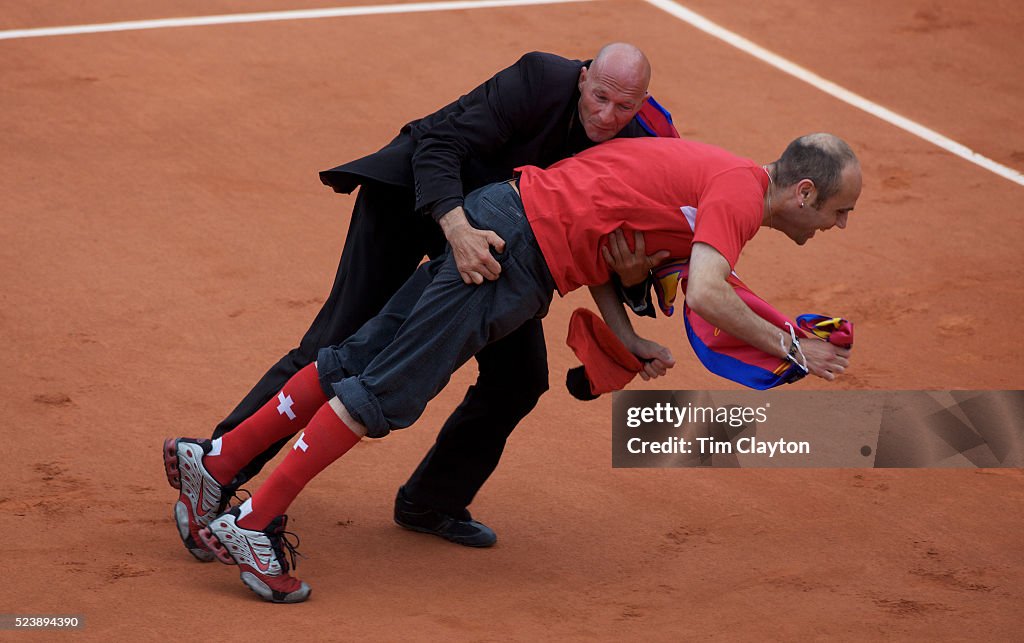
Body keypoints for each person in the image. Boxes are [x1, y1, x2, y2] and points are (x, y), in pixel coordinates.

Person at [166, 132, 862, 602]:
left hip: (511, 220)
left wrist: (627, 333)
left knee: (360, 358)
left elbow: (601, 248)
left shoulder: (720, 175)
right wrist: (792, 346)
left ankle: (219, 462)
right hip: (513, 254)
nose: (839, 226)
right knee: (383, 391)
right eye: (839, 211)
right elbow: (707, 292)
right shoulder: (737, 196)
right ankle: (253, 521)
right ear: (803, 192)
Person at [166, 44, 675, 560]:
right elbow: (437, 142)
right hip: (418, 202)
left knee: (518, 379)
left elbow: (597, 244)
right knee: (337, 344)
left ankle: (431, 500)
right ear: (582, 78)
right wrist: (456, 227)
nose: (607, 116)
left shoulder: (631, 147)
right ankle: (217, 467)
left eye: (624, 108)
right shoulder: (539, 79)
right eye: (600, 98)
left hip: (494, 247)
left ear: (643, 105)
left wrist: (633, 283)